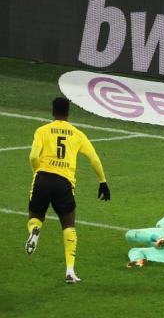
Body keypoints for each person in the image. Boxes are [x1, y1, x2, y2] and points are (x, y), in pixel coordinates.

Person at [25, 97, 111, 284]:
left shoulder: (42, 131)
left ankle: (35, 230)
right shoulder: (77, 134)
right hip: (63, 183)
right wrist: (102, 182)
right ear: (68, 113)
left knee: (35, 217)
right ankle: (70, 271)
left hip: (42, 179)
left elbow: (33, 156)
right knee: (69, 226)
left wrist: (37, 171)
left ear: (52, 111)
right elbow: (94, 159)